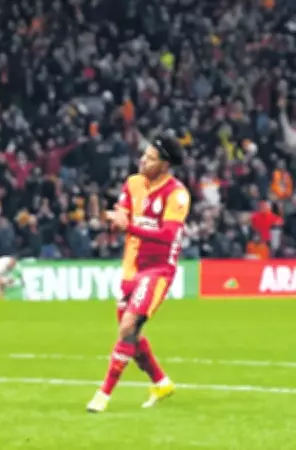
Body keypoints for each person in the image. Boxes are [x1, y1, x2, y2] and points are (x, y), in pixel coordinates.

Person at [86, 133, 190, 413]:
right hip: (131, 268)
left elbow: (168, 236)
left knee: (128, 327)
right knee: (130, 332)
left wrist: (129, 226)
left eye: (150, 158)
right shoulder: (132, 183)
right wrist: (112, 219)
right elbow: (122, 216)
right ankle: (161, 382)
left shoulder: (177, 194)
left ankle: (103, 394)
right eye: (144, 155)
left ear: (164, 165)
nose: (143, 161)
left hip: (158, 269)